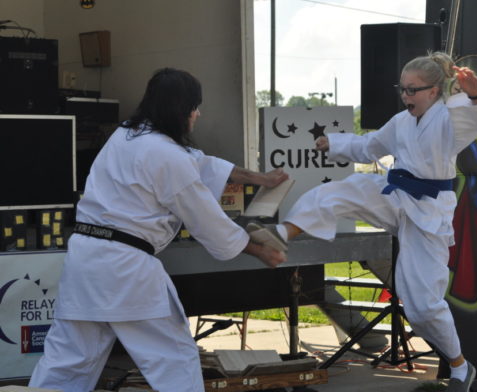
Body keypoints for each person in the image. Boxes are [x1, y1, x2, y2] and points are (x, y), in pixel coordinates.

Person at [29, 68, 288, 392]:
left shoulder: (125, 136)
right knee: (174, 361)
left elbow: (199, 162)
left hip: (85, 260)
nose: (198, 114)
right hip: (126, 269)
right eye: (195, 107)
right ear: (180, 110)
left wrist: (260, 179)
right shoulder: (166, 154)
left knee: (68, 360)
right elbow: (205, 218)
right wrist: (258, 249)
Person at [248, 52, 477, 391]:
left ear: (434, 91)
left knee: (422, 307)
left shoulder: (448, 121)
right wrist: (334, 143)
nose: (405, 97)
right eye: (402, 90)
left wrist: (475, 96)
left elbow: (473, 122)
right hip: (395, 193)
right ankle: (281, 233)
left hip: (428, 214)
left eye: (413, 90)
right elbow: (370, 146)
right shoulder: (402, 122)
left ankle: (461, 366)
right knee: (343, 190)